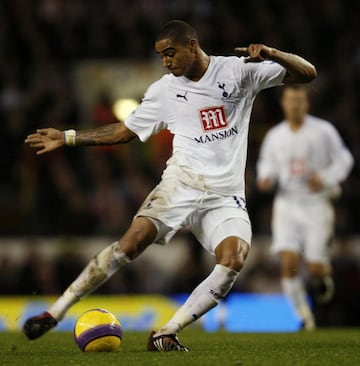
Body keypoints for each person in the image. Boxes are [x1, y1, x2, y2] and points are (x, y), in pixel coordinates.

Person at [23, 20, 316, 351]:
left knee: (233, 259)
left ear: (192, 45)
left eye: (170, 53)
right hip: (182, 183)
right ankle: (56, 310)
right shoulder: (164, 90)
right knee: (131, 244)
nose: (166, 62)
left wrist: (273, 53)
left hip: (225, 196)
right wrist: (67, 137)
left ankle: (167, 332)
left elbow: (307, 74)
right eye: (161, 56)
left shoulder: (237, 71)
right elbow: (124, 132)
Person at [256, 85, 353, 330]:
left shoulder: (323, 131)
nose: (295, 105)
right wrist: (265, 178)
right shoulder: (275, 136)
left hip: (316, 203)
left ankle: (323, 276)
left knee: (314, 266)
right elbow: (266, 164)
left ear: (307, 103)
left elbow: (345, 159)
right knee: (288, 263)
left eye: (300, 100)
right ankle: (304, 317)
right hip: (287, 203)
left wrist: (327, 177)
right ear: (284, 104)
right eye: (291, 100)